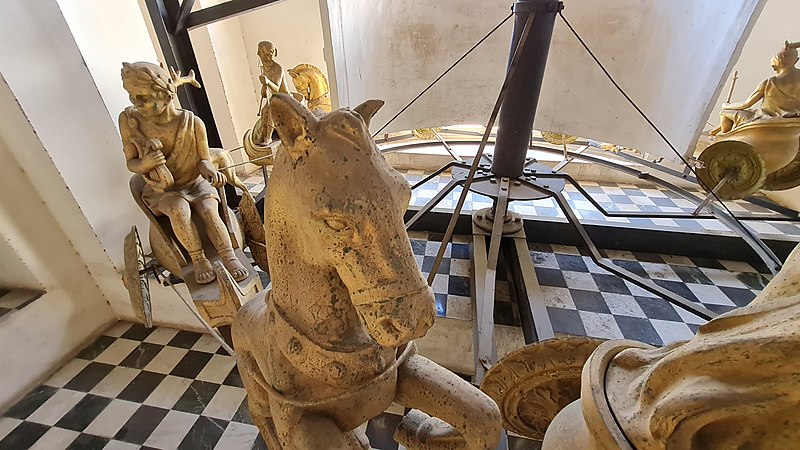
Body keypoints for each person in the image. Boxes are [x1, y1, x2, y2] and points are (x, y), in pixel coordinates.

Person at [120, 62, 249, 284]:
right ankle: (198, 259)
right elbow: (131, 163)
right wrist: (145, 164)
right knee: (178, 209)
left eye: (144, 97)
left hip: (194, 182)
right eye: (132, 96)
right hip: (163, 189)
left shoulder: (192, 123)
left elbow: (203, 160)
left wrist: (210, 171)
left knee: (209, 210)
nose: (136, 102)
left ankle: (229, 255)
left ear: (165, 94)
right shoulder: (130, 122)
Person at [712, 41, 800, 136]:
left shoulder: (768, 82)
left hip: (765, 120)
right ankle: (714, 131)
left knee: (724, 113)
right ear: (796, 60)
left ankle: (725, 138)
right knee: (750, 112)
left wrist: (726, 105)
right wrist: (795, 45)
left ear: (774, 65)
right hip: (793, 119)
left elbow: (746, 104)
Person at [253, 41, 290, 145]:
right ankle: (263, 134)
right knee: (264, 111)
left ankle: (268, 137)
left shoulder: (278, 68)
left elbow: (277, 88)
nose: (258, 54)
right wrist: (263, 87)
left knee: (270, 110)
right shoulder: (264, 68)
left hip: (284, 97)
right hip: (274, 98)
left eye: (260, 52)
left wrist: (268, 82)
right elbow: (265, 93)